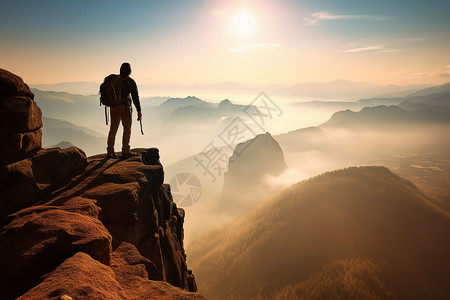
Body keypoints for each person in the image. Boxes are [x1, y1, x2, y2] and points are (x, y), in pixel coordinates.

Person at [106, 62, 142, 158]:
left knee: (113, 129)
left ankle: (110, 151)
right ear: (129, 71)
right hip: (124, 108)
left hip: (113, 107)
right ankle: (125, 151)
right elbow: (135, 97)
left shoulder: (114, 79)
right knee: (126, 129)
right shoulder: (130, 82)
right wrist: (139, 110)